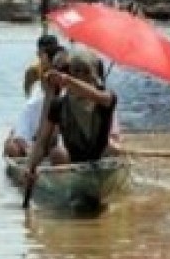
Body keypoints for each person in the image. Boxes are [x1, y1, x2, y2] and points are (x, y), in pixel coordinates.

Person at [25, 49, 120, 180]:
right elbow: (42, 141)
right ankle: (66, 186)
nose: (80, 75)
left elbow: (94, 94)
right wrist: (31, 167)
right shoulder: (59, 104)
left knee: (113, 149)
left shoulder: (107, 98)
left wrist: (67, 80)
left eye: (85, 71)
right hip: (73, 161)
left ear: (94, 76)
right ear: (70, 71)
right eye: (76, 71)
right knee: (58, 153)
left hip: (100, 159)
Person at [3, 44, 68, 158]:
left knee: (58, 153)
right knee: (11, 145)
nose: (45, 76)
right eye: (44, 71)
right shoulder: (35, 99)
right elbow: (22, 136)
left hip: (64, 149)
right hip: (39, 145)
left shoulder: (72, 96)